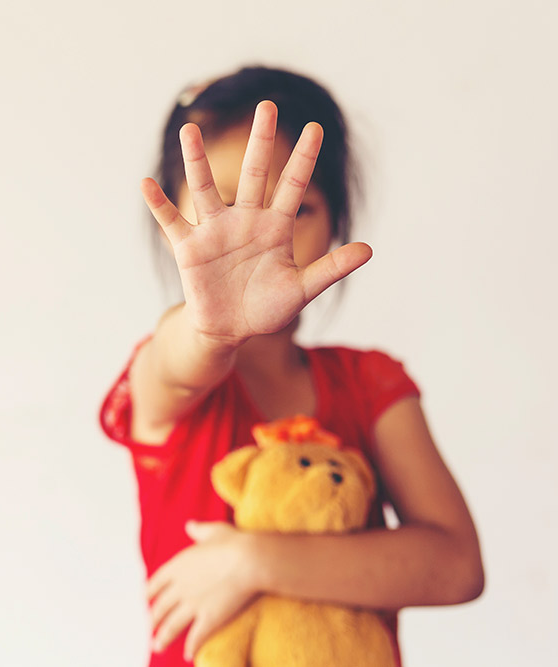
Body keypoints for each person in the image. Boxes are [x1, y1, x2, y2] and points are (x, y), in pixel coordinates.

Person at [99, 66, 484, 667]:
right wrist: (208, 326)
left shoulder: (370, 384)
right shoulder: (174, 372)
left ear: (336, 223)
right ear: (174, 219)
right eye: (219, 206)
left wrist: (253, 562)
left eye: (297, 208)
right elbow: (171, 365)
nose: (253, 240)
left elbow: (456, 566)